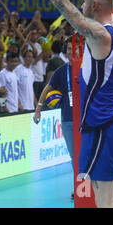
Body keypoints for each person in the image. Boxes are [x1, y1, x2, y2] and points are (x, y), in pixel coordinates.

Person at [26, 0, 113, 208]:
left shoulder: (98, 35)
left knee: (106, 200)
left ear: (95, 5)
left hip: (102, 125)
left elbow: (60, 1)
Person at [34, 39, 75, 200]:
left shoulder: (88, 68)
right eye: (69, 49)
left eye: (75, 48)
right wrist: (38, 109)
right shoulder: (61, 71)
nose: (72, 51)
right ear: (65, 51)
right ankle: (79, 186)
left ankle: (93, 184)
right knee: (74, 156)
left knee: (88, 154)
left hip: (87, 120)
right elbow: (47, 88)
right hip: (68, 119)